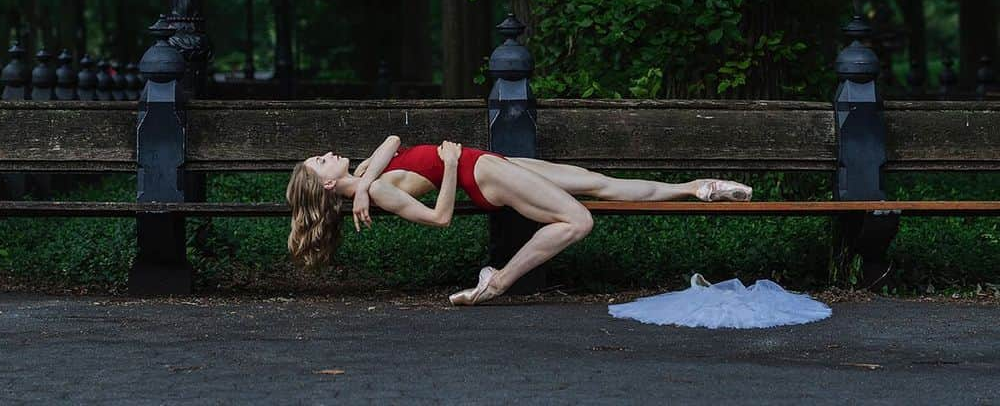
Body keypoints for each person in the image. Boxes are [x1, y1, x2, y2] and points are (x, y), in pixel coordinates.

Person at [286, 135, 752, 305]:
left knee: (594, 180)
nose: (328, 154)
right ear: (327, 186)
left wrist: (363, 183)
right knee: (579, 220)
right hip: (478, 172)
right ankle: (499, 280)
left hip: (485, 161)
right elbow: (440, 218)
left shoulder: (368, 177)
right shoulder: (381, 193)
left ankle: (695, 188)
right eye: (321, 161)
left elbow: (392, 138)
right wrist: (449, 167)